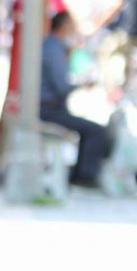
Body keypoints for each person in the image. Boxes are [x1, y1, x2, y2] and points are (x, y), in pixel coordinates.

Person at [41, 11, 112, 186]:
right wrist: (82, 84)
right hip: (48, 110)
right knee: (96, 131)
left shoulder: (53, 46)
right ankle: (85, 177)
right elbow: (61, 86)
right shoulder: (53, 48)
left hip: (50, 107)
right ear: (64, 26)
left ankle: (81, 174)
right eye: (71, 26)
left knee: (91, 129)